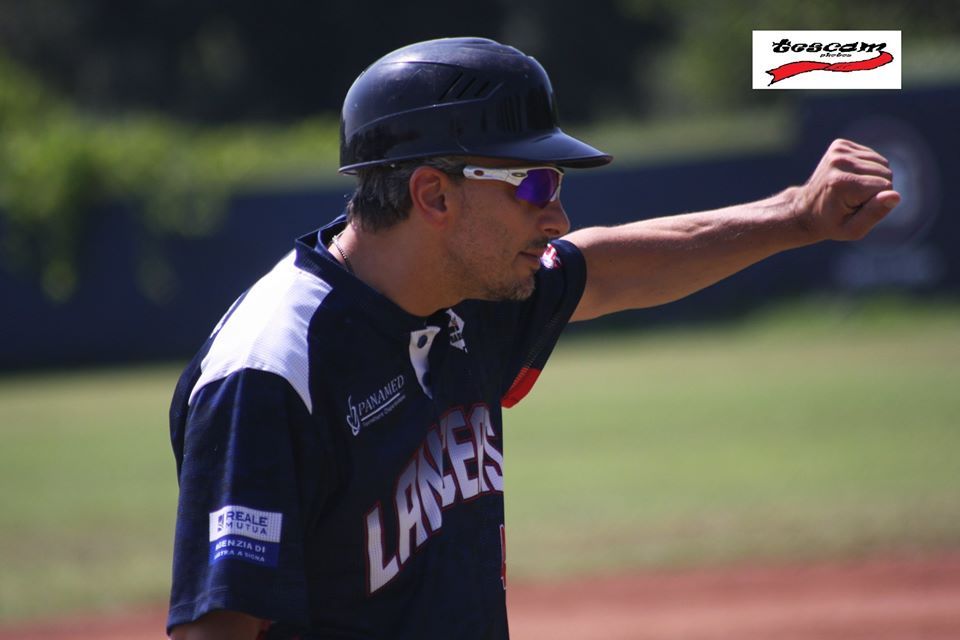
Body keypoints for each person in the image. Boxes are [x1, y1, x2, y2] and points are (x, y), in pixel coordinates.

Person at [166, 37, 899, 639]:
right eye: (534, 185)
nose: (557, 217)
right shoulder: (271, 372)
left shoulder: (467, 294)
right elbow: (218, 630)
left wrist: (796, 215)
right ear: (434, 194)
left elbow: (606, 270)